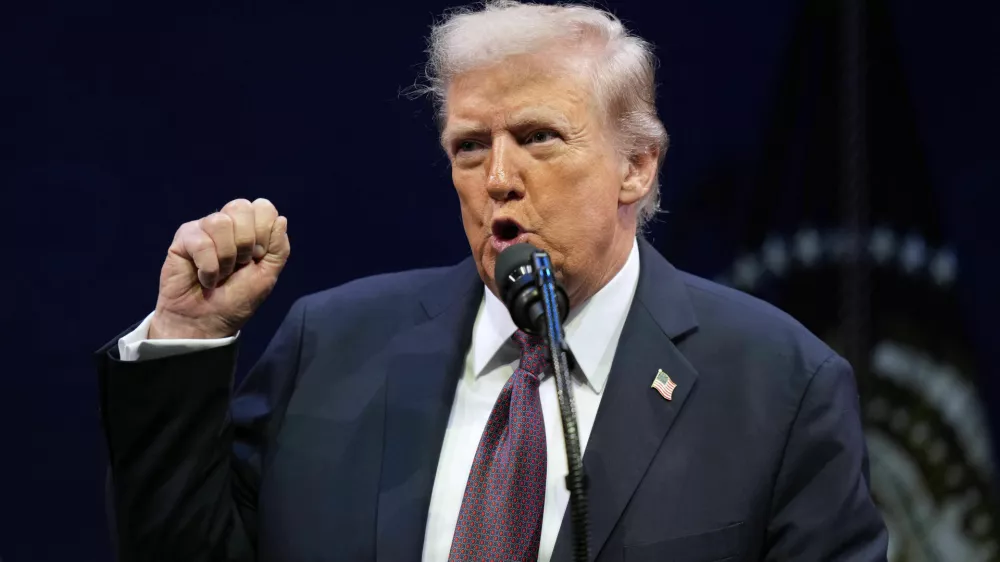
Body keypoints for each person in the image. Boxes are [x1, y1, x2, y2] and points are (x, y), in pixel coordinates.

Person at [95, 1, 888, 561]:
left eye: (539, 137)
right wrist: (189, 336)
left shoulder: (778, 388)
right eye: (469, 148)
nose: (497, 178)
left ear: (636, 167)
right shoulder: (331, 348)